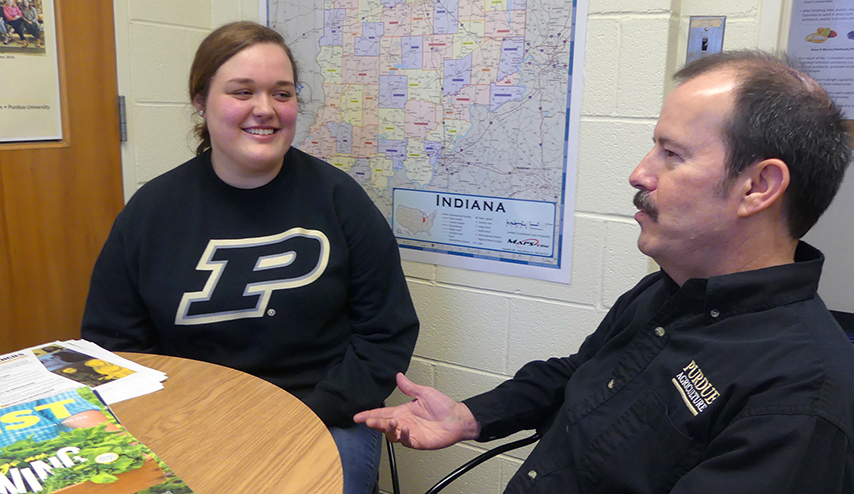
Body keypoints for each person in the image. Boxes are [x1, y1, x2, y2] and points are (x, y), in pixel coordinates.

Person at [355, 50, 854, 493]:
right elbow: (581, 373)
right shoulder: (670, 289)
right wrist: (469, 416)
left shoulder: (800, 398)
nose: (640, 173)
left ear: (758, 187)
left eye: (672, 154)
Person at [81, 21, 419, 494]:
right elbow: (114, 343)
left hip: (322, 414)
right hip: (190, 418)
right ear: (201, 100)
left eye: (282, 93)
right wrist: (178, 420)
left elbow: (387, 332)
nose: (265, 110)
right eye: (243, 92)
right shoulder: (152, 212)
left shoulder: (340, 201)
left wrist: (307, 415)